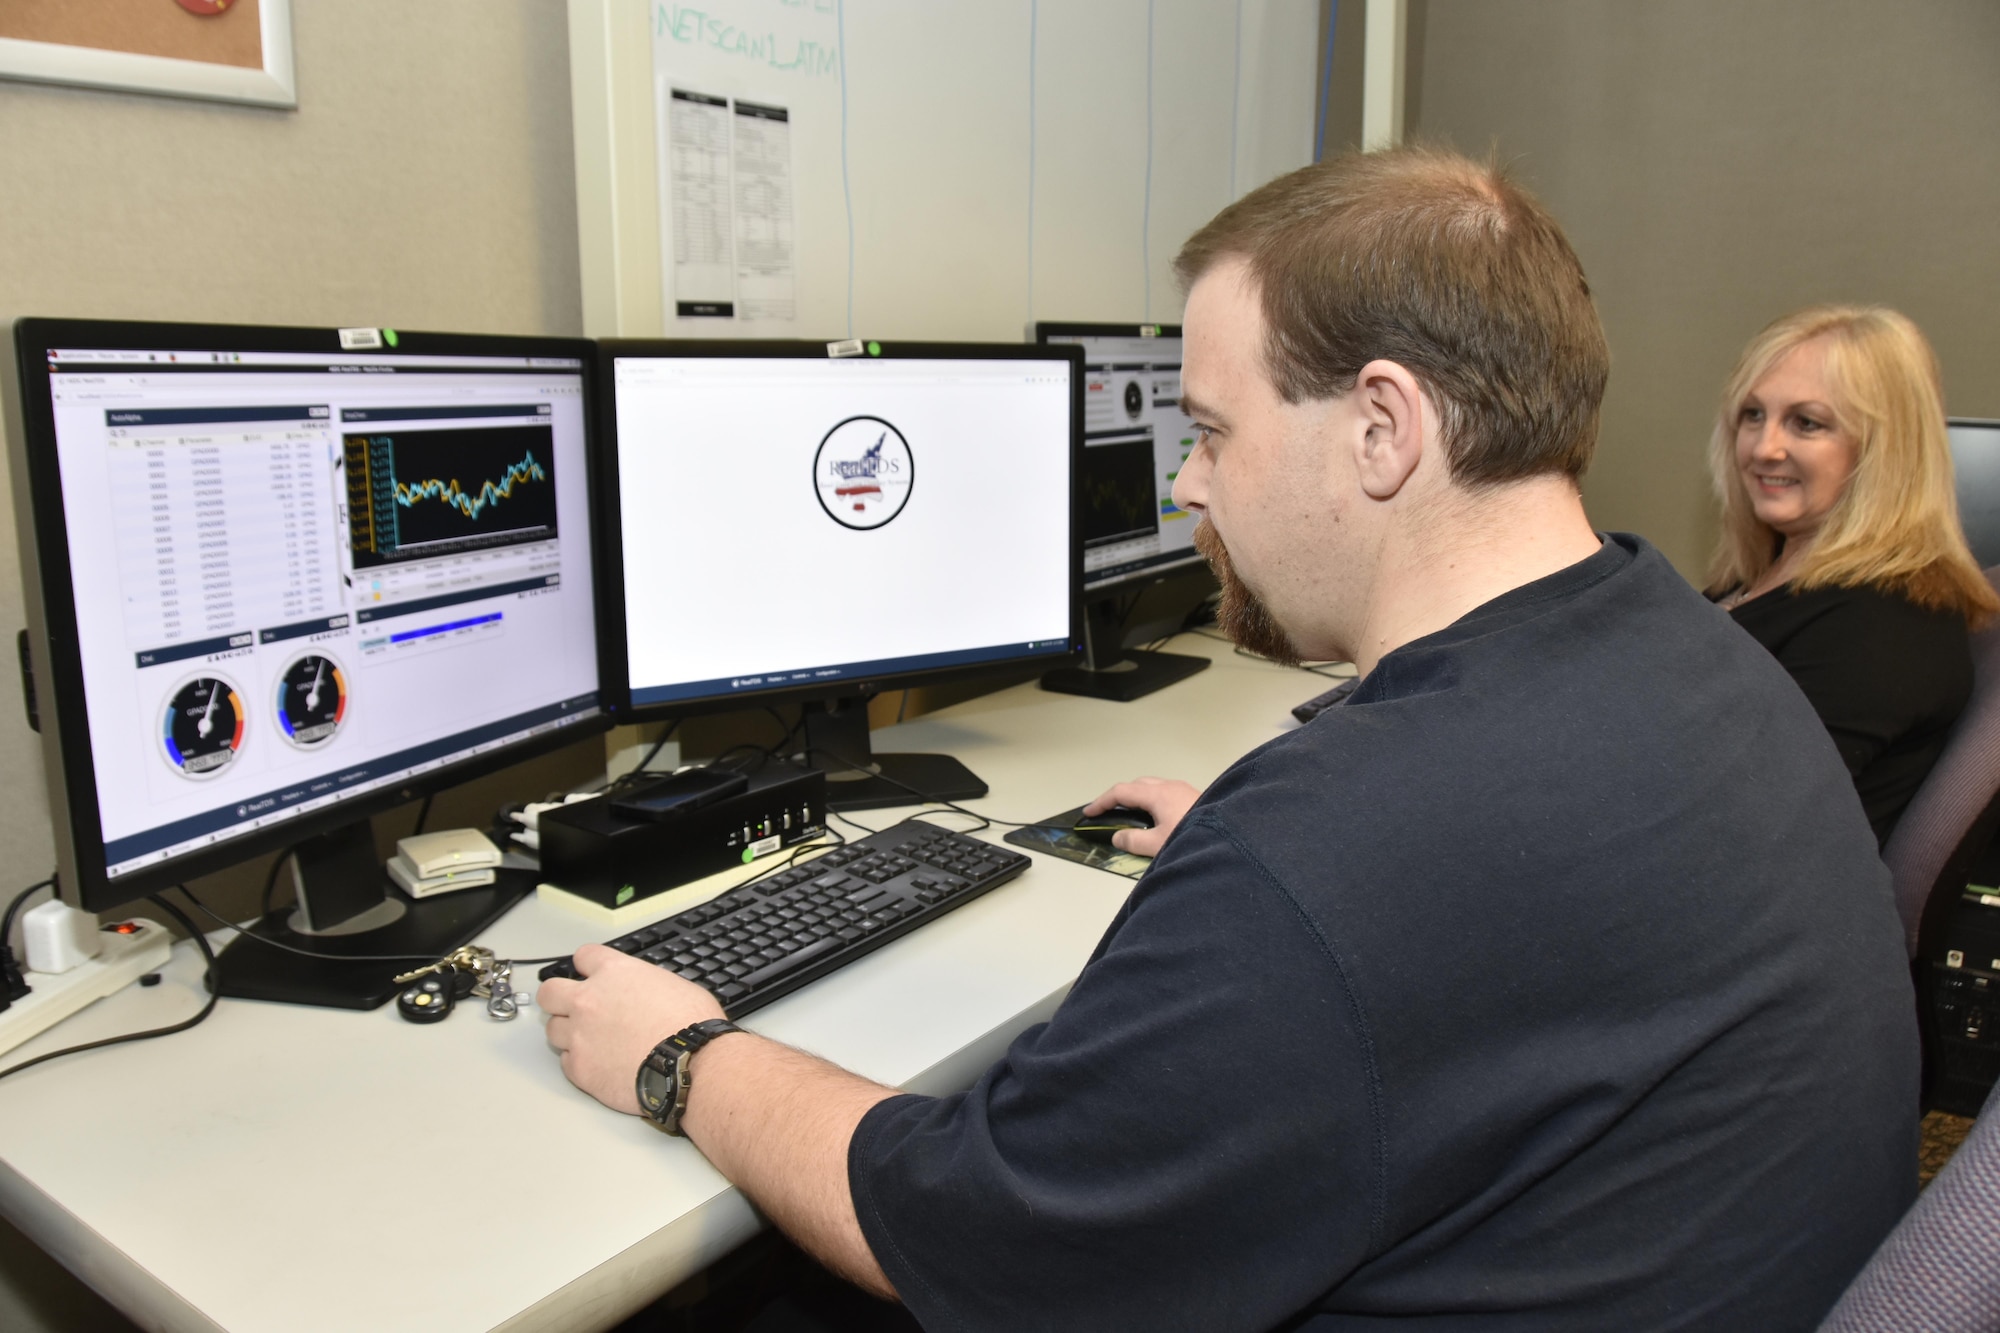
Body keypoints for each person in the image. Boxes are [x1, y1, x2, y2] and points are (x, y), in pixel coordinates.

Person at [539, 146, 1918, 1331]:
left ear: (1383, 426)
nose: (1188, 481)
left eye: (1210, 429)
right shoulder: (1683, 647)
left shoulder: (1344, 848)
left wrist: (682, 1058)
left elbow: (973, 1229)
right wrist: (1282, 906)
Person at [1705, 306, 1997, 847]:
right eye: (1752, 415)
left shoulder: (1884, 627)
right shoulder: (1761, 576)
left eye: (1806, 422)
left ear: (1883, 449)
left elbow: (1736, 824)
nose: (1763, 447)